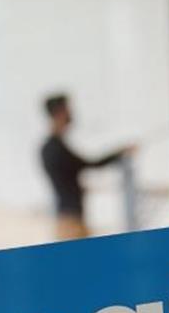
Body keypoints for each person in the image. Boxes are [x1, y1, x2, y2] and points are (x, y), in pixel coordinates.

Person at [39, 93, 135, 239]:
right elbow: (90, 164)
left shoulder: (50, 147)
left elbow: (73, 171)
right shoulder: (55, 148)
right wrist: (120, 152)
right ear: (59, 113)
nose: (71, 113)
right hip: (71, 221)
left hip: (68, 217)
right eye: (68, 109)